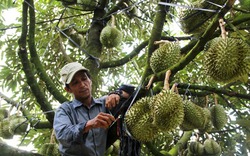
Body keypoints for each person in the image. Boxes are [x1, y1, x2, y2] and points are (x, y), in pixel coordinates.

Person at [53, 62, 134, 156]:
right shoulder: (65, 110)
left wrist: (116, 93)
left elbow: (134, 93)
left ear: (90, 80)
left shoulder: (104, 103)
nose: (82, 85)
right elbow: (63, 135)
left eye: (84, 79)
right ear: (68, 89)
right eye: (75, 83)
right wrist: (88, 125)